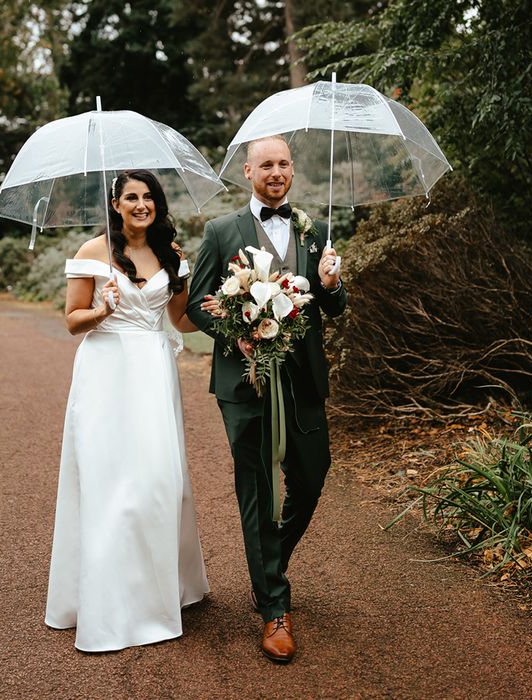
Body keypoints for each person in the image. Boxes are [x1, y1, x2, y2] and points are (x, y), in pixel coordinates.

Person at [186, 135, 347, 663]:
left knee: (312, 473)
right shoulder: (221, 230)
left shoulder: (311, 227)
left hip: (302, 381)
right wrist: (236, 331)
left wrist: (330, 282)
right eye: (266, 165)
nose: (276, 172)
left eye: (284, 164)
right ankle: (274, 607)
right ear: (248, 171)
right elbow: (197, 304)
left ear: (292, 170)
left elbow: (334, 306)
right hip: (245, 382)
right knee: (256, 489)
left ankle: (268, 558)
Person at [45, 169, 211, 652]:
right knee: (109, 481)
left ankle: (161, 589)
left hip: (154, 373)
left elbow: (179, 318)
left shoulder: (172, 256)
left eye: (149, 197)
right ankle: (111, 602)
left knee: (159, 480)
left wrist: (235, 312)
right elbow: (73, 321)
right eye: (131, 197)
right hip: (105, 370)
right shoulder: (93, 253)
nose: (142, 204)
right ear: (115, 204)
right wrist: (102, 310)